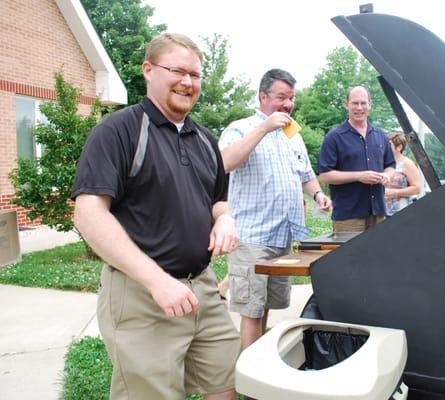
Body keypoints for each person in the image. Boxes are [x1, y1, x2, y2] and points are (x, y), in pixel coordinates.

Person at [71, 33, 241, 400]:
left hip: (204, 289)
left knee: (224, 386)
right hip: (142, 294)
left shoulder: (205, 139)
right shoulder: (118, 131)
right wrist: (157, 281)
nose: (188, 82)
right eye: (177, 70)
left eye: (195, 75)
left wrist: (224, 219)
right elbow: (88, 214)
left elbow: (218, 200)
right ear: (148, 70)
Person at [218, 68, 331, 349]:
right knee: (252, 311)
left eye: (291, 98)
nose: (288, 104)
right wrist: (264, 128)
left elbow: (305, 174)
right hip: (252, 235)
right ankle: (250, 378)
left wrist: (317, 194)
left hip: (283, 237)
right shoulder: (240, 128)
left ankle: (256, 365)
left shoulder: (293, 134)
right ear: (263, 96)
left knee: (266, 307)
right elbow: (224, 163)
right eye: (281, 97)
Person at [317, 86, 395, 232]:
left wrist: (387, 175)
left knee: (379, 255)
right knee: (349, 255)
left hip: (378, 213)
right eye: (355, 103)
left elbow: (390, 165)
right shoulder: (334, 137)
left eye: (363, 103)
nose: (359, 108)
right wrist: (359, 176)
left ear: (370, 105)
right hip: (348, 217)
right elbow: (324, 176)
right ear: (347, 104)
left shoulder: (381, 135)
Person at [384, 131, 423, 215]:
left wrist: (394, 192)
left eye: (388, 145)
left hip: (401, 210)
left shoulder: (407, 163)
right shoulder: (381, 162)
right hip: (381, 212)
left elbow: (417, 188)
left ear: (399, 147)